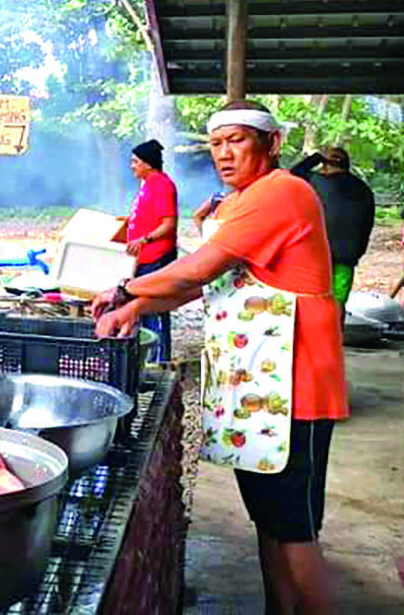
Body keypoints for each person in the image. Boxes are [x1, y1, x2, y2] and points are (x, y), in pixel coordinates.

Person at [92, 100, 345, 615]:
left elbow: (197, 271)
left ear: (271, 144)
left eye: (238, 141)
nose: (225, 154)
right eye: (216, 143)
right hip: (257, 386)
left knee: (296, 531)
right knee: (270, 522)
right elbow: (206, 284)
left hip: (297, 388)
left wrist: (123, 289)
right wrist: (138, 307)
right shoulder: (238, 202)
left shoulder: (282, 193)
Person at [291, 146, 376, 312]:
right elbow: (368, 223)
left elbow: (293, 173)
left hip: (314, 256)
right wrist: (357, 252)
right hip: (345, 258)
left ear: (324, 163)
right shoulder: (363, 188)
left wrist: (315, 157)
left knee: (312, 302)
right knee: (337, 304)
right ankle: (336, 337)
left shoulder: (314, 181)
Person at [124, 138, 179, 362]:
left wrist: (144, 239)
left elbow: (168, 224)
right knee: (143, 309)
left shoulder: (162, 185)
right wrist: (130, 221)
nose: (132, 165)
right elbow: (150, 215)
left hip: (156, 257)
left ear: (148, 163)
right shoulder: (147, 183)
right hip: (143, 258)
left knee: (154, 309)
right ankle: (148, 359)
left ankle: (159, 360)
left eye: (136, 161)